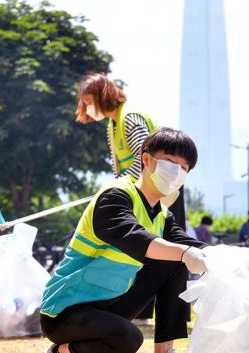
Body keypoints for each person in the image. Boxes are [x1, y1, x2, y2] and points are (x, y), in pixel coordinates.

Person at [38, 128, 208, 353]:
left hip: (110, 303)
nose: (176, 171)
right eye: (169, 162)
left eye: (183, 167)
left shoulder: (161, 215)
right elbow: (135, 237)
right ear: (146, 159)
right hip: (66, 311)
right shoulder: (115, 197)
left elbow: (191, 246)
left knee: (175, 260)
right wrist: (186, 254)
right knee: (128, 339)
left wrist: (242, 259)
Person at [76, 73, 187, 324]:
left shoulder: (130, 118)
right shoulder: (113, 125)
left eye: (88, 100)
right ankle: (141, 313)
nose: (86, 108)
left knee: (171, 256)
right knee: (140, 252)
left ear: (102, 95)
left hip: (161, 193)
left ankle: (171, 319)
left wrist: (118, 185)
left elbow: (144, 159)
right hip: (139, 195)